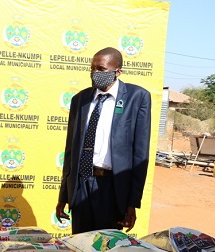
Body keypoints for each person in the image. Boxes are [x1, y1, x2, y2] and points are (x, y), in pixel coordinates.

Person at [55, 47, 151, 234]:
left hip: (112, 189)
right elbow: (70, 151)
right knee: (80, 248)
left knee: (106, 250)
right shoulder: (80, 100)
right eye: (92, 68)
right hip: (82, 185)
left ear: (118, 72)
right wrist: (64, 196)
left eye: (101, 69)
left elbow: (140, 156)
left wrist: (132, 203)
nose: (95, 73)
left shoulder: (137, 98)